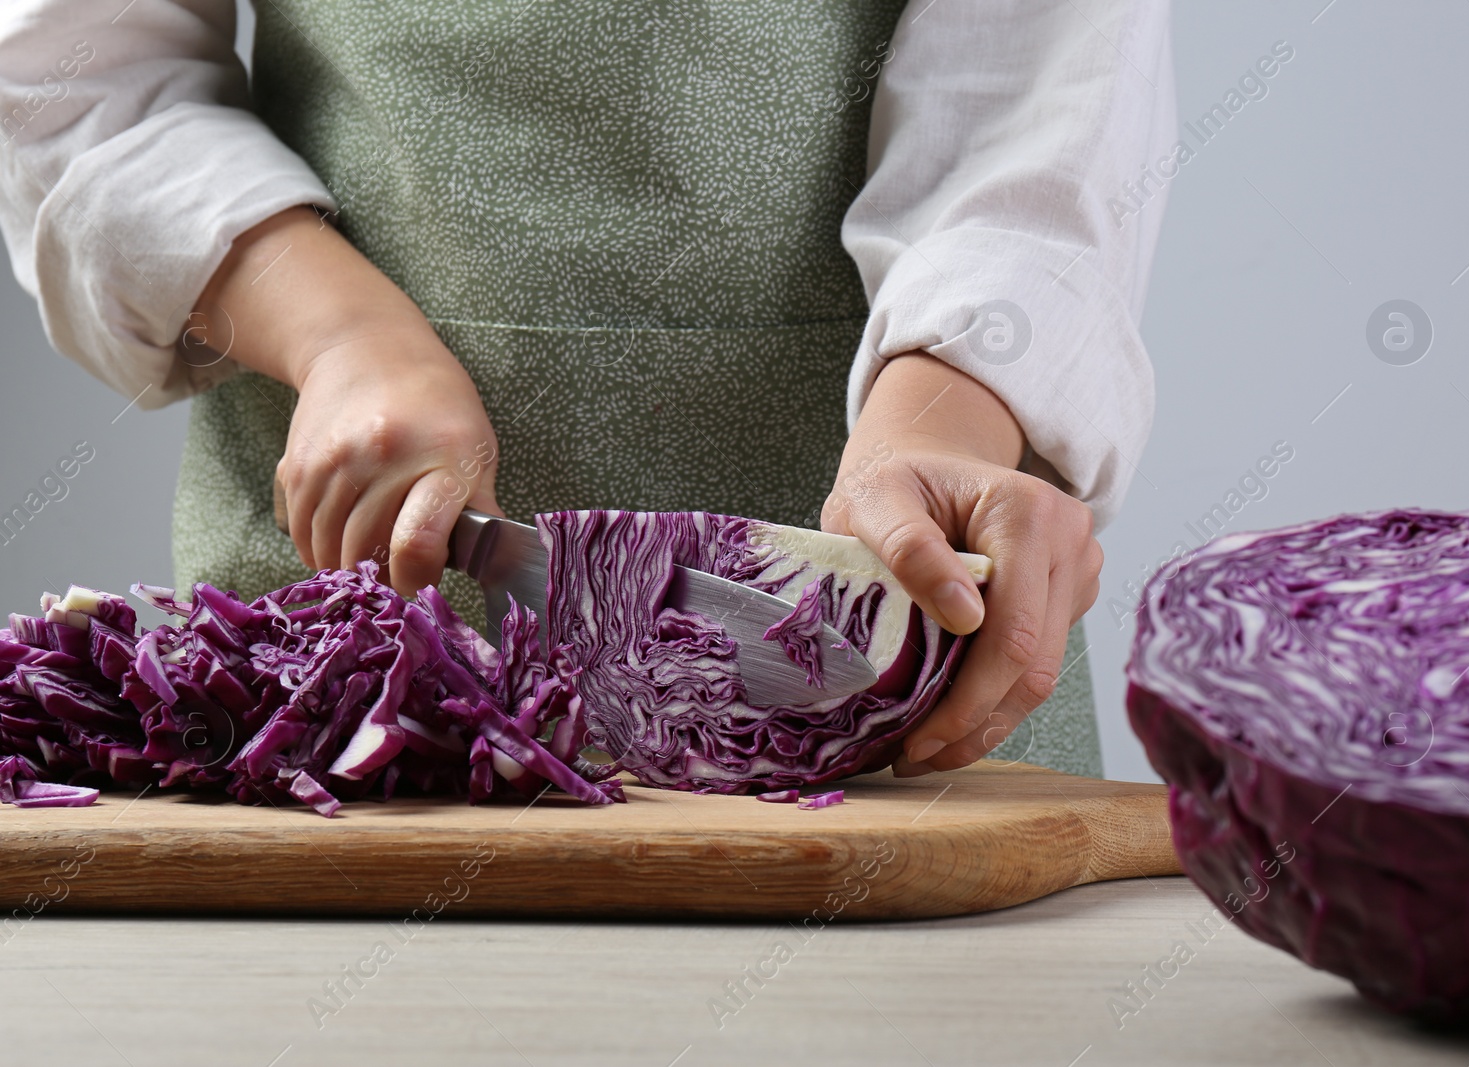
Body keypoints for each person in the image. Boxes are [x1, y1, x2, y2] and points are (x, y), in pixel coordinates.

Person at [0, 0, 1173, 779]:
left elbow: (1042, 126)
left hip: (891, 711)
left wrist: (941, 428)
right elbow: (75, 79)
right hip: (349, 712)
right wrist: (339, 334)